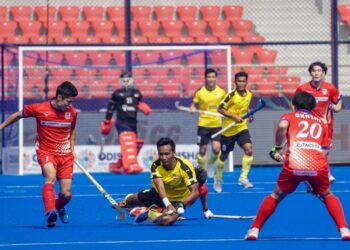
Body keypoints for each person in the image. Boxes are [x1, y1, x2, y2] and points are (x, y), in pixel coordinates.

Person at [245, 91, 350, 240]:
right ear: (312, 107)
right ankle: (344, 229)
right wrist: (313, 181)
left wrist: (277, 147)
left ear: (294, 106)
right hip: (317, 165)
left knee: (276, 195)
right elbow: (323, 152)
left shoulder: (289, 116)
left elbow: (282, 127)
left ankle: (254, 230)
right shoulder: (322, 123)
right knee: (327, 194)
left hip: (293, 165)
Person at [0, 81, 78, 228]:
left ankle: (58, 206)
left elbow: (72, 129)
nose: (70, 104)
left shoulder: (72, 113)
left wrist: (72, 147)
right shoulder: (39, 108)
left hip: (65, 154)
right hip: (46, 151)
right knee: (50, 176)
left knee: (66, 194)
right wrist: (1, 126)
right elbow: (18, 115)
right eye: (69, 101)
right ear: (59, 97)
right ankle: (50, 212)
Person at [124, 137, 201, 225]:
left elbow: (195, 192)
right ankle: (144, 207)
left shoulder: (185, 167)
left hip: (177, 200)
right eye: (161, 154)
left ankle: (151, 213)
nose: (164, 157)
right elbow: (160, 187)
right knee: (129, 201)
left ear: (173, 153)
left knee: (166, 220)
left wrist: (181, 204)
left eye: (167, 154)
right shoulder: (155, 165)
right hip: (159, 194)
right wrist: (168, 204)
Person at [295, 62, 342, 182]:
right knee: (313, 150)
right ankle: (320, 174)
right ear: (310, 73)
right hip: (309, 126)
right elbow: (294, 104)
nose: (316, 73)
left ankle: (318, 174)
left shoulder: (330, 88)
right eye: (314, 71)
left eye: (319, 71)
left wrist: (336, 108)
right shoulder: (303, 88)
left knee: (324, 152)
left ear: (323, 73)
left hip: (326, 125)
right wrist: (296, 117)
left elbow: (338, 102)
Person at [100, 71, 152, 174]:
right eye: (124, 80)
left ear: (132, 80)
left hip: (133, 122)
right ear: (120, 81)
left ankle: (119, 165)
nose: (126, 82)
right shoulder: (117, 94)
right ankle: (130, 165)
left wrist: (143, 107)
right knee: (128, 141)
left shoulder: (137, 93)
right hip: (122, 121)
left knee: (134, 143)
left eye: (128, 80)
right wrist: (107, 120)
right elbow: (111, 108)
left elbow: (139, 105)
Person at [216, 71, 254, 191]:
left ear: (247, 82)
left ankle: (243, 178)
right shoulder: (230, 95)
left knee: (249, 150)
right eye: (239, 81)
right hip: (228, 131)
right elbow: (220, 109)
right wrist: (234, 117)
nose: (241, 83)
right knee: (223, 156)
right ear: (235, 82)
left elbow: (246, 107)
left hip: (242, 128)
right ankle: (218, 178)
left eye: (243, 81)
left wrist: (249, 114)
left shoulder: (249, 94)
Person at [189, 68, 226, 176]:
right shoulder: (200, 91)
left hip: (217, 125)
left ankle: (210, 164)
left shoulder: (221, 91)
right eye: (209, 77)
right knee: (202, 150)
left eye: (213, 77)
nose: (211, 79)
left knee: (216, 149)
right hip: (203, 124)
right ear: (205, 78)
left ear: (216, 78)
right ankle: (201, 171)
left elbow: (227, 104)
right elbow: (193, 104)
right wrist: (192, 108)